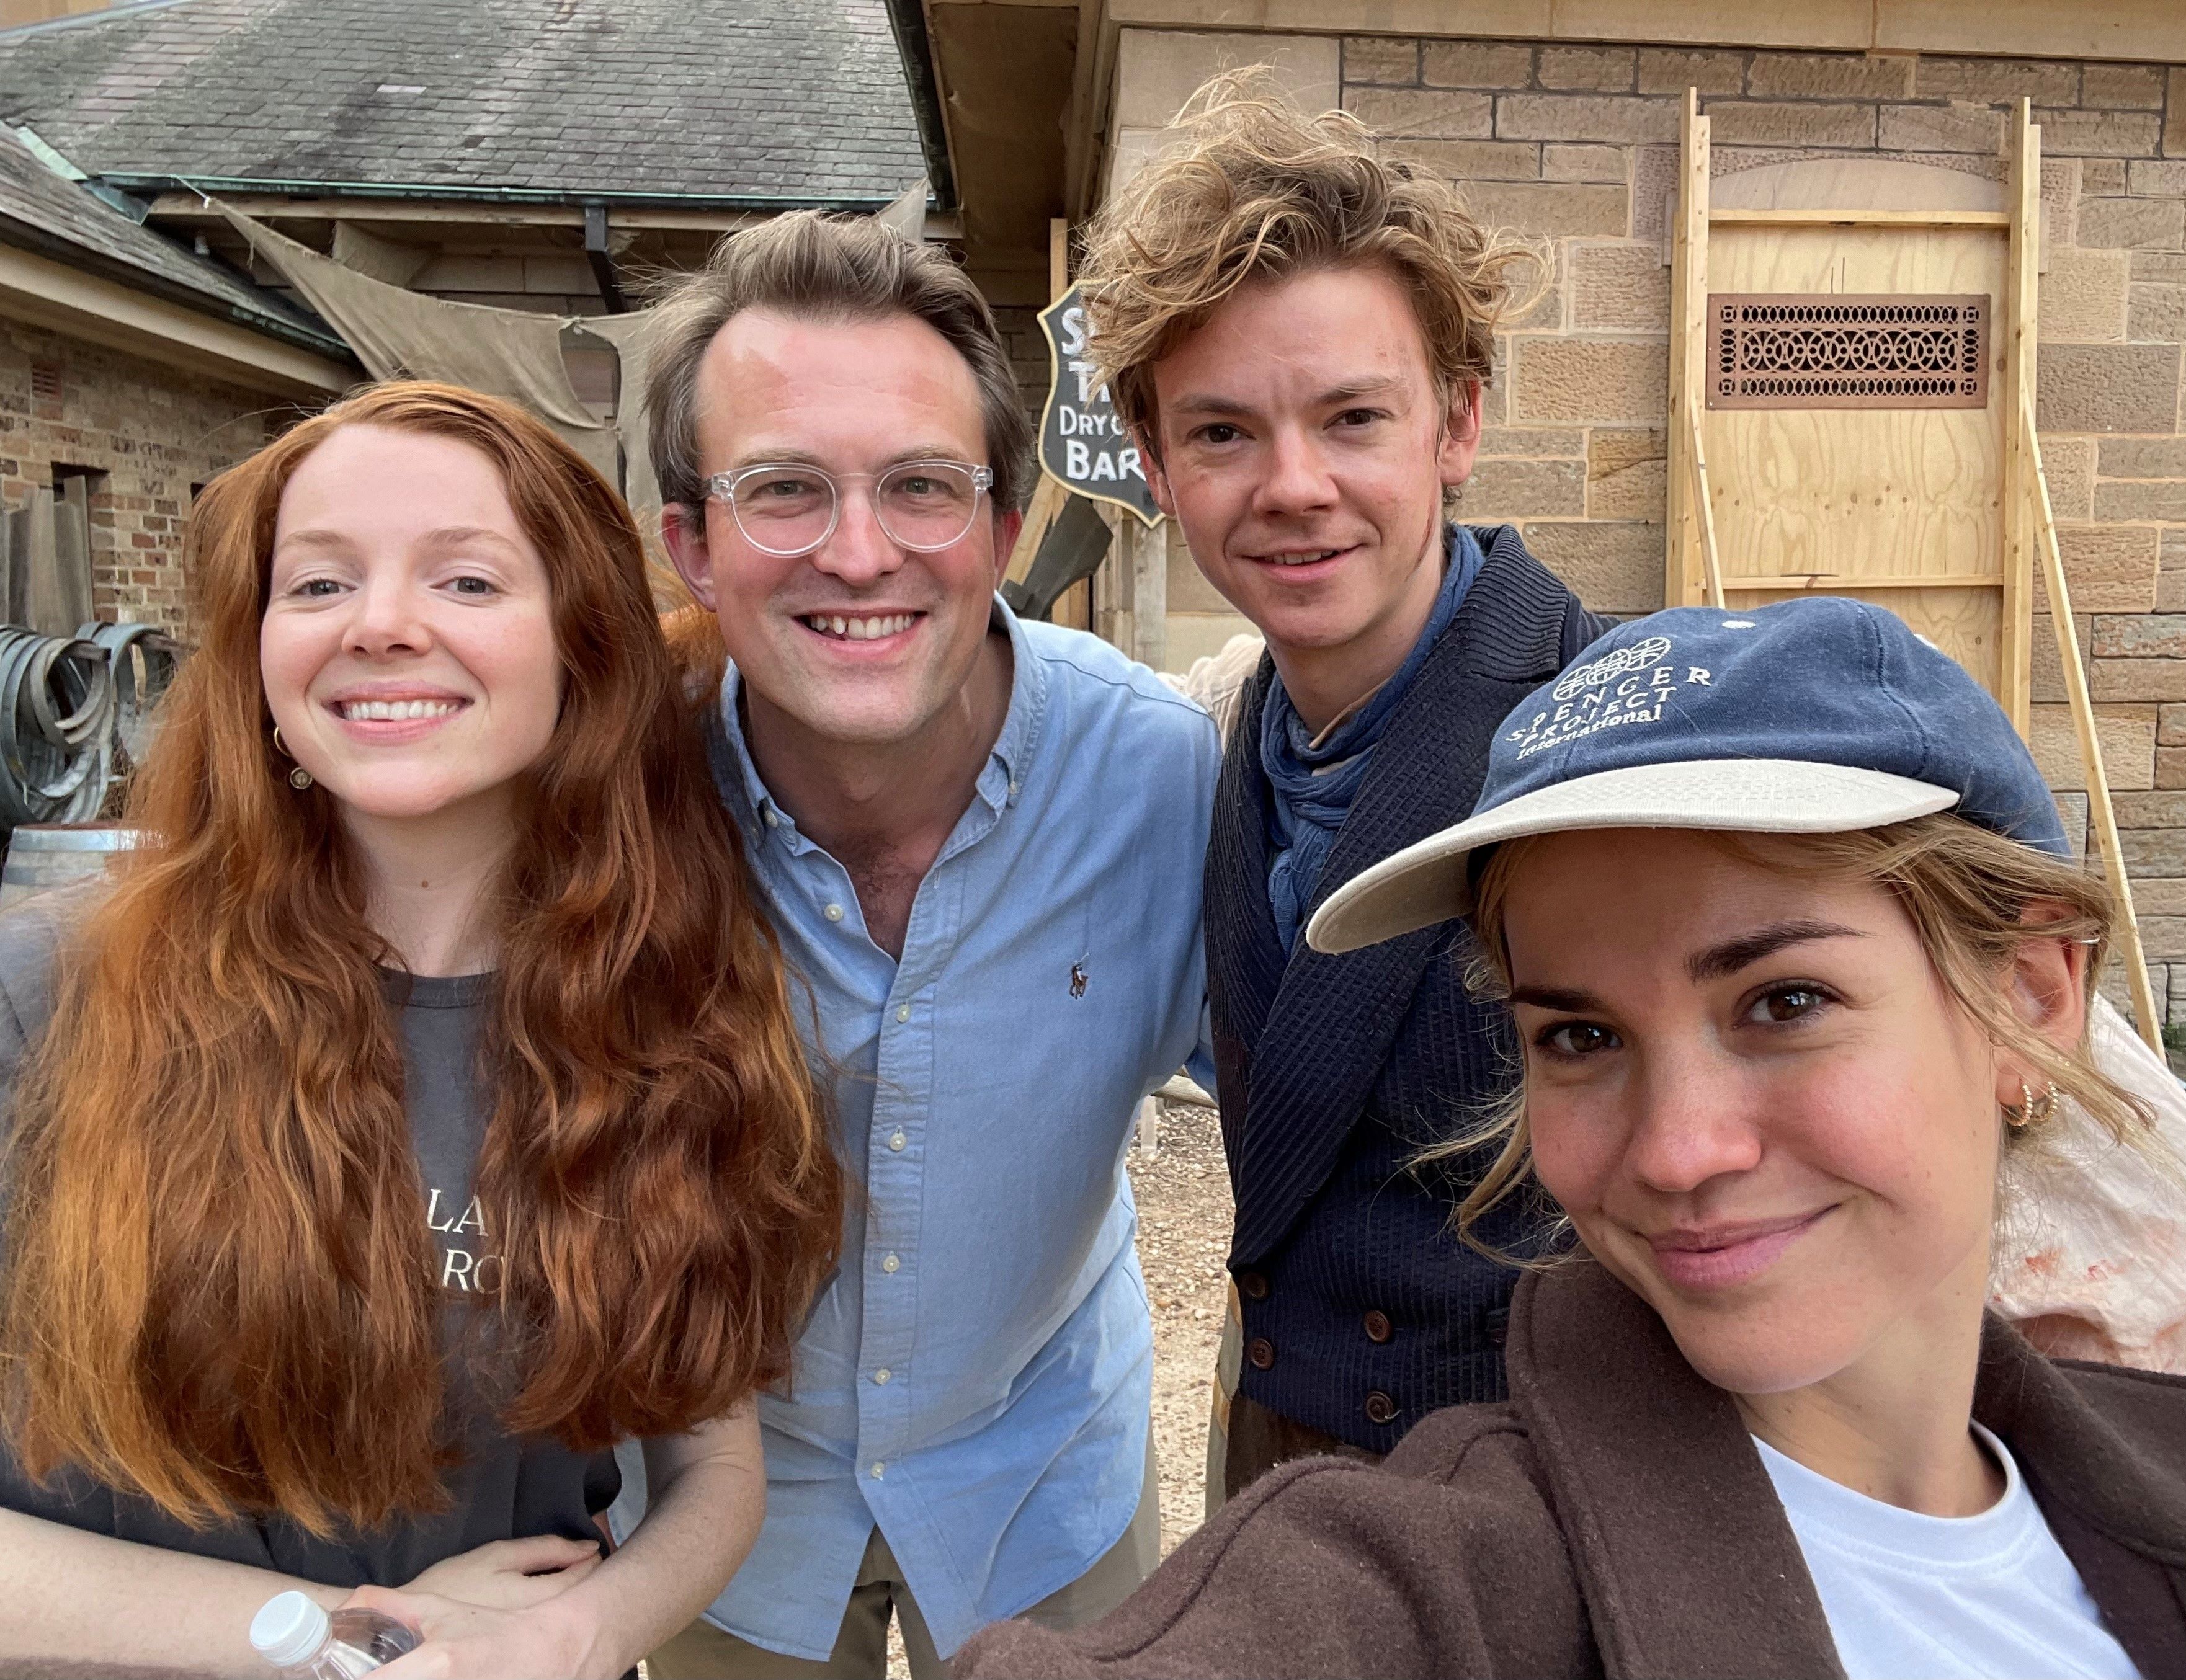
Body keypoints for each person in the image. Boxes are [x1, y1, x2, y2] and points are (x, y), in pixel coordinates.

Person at [957, 596, 2186, 1680]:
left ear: (2029, 1000)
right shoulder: (1454, 1577)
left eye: (1783, 1002)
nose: (1676, 1150)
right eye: (1581, 1036)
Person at [0, 382, 844, 1679]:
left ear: (582, 648)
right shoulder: (44, 991)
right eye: (321, 583)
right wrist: (342, 1641)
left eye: (463, 581)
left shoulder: (684, 1016)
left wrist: (589, 1627)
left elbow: (711, 1455)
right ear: (260, 644)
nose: (382, 624)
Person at [631, 211, 1216, 1678]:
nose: (858, 551)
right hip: (725, 1518)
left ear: (1007, 529)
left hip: (1047, 1481)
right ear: (689, 543)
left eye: (921, 487)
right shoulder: (607, 810)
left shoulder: (1162, 784)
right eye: (782, 489)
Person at [1076, 69, 1615, 1498]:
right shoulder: (1208, 745)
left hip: (1542, 1495)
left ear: (1457, 424)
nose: (1293, 484)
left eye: (1354, 419)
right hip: (1280, 1459)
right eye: (1223, 432)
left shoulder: (1628, 735)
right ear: (1153, 463)